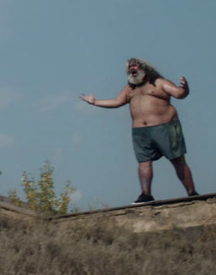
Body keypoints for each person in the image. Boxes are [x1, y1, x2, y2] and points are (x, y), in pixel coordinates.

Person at [81, 57, 195, 204]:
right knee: (144, 162)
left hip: (165, 127)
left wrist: (185, 88)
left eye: (135, 66)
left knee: (177, 160)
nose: (132, 69)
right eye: (130, 68)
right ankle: (146, 194)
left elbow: (179, 94)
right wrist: (95, 102)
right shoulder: (130, 89)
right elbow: (116, 102)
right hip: (141, 132)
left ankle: (192, 192)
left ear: (144, 68)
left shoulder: (159, 82)